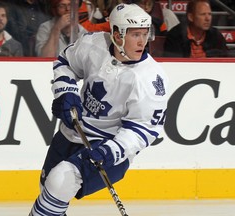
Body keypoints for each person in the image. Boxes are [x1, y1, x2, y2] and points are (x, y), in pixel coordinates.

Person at [29, 3, 168, 216]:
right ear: (116, 33)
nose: (142, 41)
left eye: (144, 34)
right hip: (71, 134)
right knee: (48, 187)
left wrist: (110, 151)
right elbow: (65, 62)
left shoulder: (150, 79)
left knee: (59, 182)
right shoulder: (93, 44)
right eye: (134, 34)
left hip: (107, 147)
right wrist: (66, 91)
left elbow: (143, 129)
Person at [163, 0, 228, 58]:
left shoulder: (216, 36)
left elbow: (225, 61)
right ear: (190, 17)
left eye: (209, 14)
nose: (208, 18)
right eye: (203, 14)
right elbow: (173, 64)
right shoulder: (175, 36)